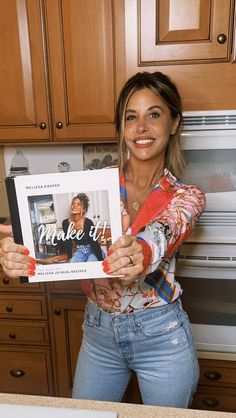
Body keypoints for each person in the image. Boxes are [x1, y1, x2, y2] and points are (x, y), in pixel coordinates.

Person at [0, 71, 206, 408]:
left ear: (173, 123)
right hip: (98, 334)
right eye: (131, 117)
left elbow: (164, 230)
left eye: (153, 114)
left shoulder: (188, 197)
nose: (141, 127)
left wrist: (140, 250)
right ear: (122, 127)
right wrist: (20, 251)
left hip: (162, 337)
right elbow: (56, 237)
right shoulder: (95, 184)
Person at [35, 193, 104, 264]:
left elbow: (94, 242)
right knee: (73, 263)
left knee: (91, 263)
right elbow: (68, 241)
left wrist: (101, 259)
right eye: (73, 203)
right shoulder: (65, 223)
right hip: (80, 250)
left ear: (83, 209)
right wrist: (69, 257)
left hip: (92, 250)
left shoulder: (88, 222)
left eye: (79, 204)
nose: (74, 206)